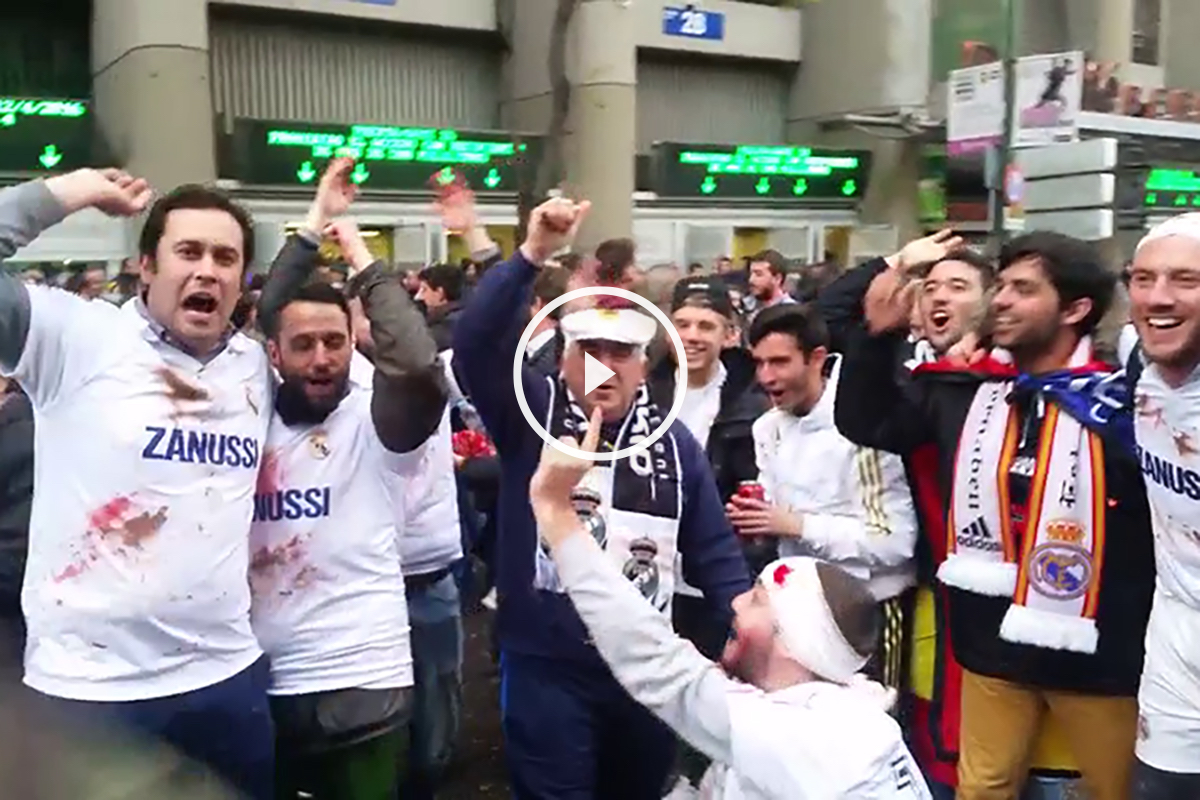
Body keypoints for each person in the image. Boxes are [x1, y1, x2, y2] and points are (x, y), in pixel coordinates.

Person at [835, 231, 1155, 800]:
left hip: (1101, 659)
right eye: (1001, 285)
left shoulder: (1126, 405)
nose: (1001, 300)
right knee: (981, 790)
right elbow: (868, 422)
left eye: (1023, 290)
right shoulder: (963, 392)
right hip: (989, 649)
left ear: (1076, 309)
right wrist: (875, 338)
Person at [453, 198, 751, 799]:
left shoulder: (677, 443)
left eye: (621, 355)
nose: (605, 369)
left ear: (645, 365)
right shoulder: (530, 413)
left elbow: (714, 551)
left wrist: (751, 631)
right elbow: (475, 347)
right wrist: (532, 253)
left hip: (648, 670)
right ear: (563, 358)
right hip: (547, 666)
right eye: (589, 352)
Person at [0, 169, 275, 798]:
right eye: (189, 252)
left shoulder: (253, 366)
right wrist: (70, 192)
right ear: (146, 266)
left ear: (241, 282)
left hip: (226, 679)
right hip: (91, 694)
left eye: (225, 257)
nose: (208, 269)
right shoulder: (75, 336)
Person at [528, 416, 931, 799]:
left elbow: (649, 655)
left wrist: (555, 510)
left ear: (794, 642)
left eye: (756, 599)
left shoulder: (798, 739)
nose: (735, 601)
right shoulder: (854, 715)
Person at [250, 158, 448, 799]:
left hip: (362, 684)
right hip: (259, 676)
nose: (321, 357)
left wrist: (360, 254)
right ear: (273, 353)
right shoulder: (247, 415)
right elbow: (271, 313)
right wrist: (313, 224)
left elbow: (417, 364)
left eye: (334, 341)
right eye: (302, 345)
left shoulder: (376, 422)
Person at [730, 304, 918, 689]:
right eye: (759, 363)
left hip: (868, 608)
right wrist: (755, 520)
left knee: (865, 727)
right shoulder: (767, 427)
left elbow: (896, 541)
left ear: (817, 358)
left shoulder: (861, 425)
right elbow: (777, 516)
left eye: (780, 362)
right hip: (793, 609)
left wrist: (797, 525)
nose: (766, 377)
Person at [1125, 213, 1200, 799]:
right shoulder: (1140, 371)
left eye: (1186, 280)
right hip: (1175, 650)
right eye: (1143, 278)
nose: (1159, 298)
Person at [746, 250, 794, 317]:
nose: (751, 280)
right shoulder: (746, 308)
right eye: (751, 274)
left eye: (759, 274)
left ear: (777, 279)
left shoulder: (792, 313)